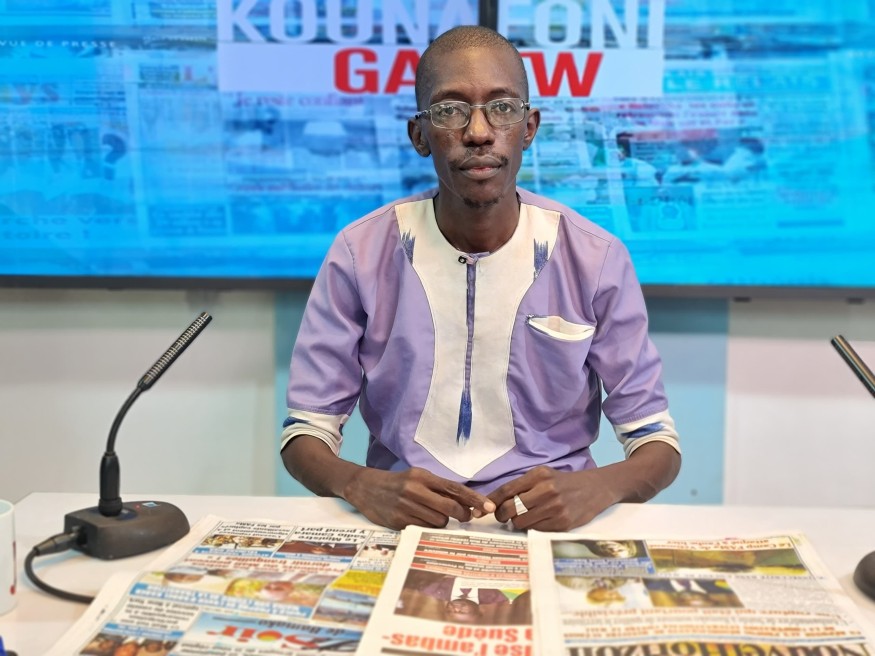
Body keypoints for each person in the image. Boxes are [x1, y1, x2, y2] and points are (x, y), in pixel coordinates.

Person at [280, 25, 681, 532]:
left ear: (529, 128)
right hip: (403, 524)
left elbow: (656, 443)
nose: (478, 132)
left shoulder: (595, 257)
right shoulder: (360, 253)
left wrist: (596, 488)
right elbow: (304, 433)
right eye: (449, 110)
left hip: (551, 525)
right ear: (420, 136)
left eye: (502, 107)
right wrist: (361, 484)